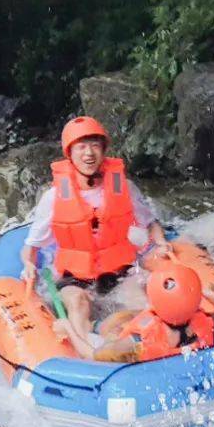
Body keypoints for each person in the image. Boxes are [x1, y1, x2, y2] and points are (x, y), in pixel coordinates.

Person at [21, 116, 169, 352]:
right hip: (74, 275)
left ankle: (138, 343)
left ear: (103, 150)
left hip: (119, 269)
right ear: (70, 153)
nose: (88, 153)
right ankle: (87, 351)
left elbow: (150, 222)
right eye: (81, 147)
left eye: (94, 145)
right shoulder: (54, 197)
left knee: (140, 304)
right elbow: (32, 246)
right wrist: (28, 265)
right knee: (77, 303)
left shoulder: (124, 187)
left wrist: (161, 243)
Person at [56, 262, 214, 363]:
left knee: (110, 326)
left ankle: (90, 326)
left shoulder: (135, 344)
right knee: (125, 318)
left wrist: (68, 328)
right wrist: (205, 292)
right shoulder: (211, 325)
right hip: (178, 342)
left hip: (119, 346)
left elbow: (91, 354)